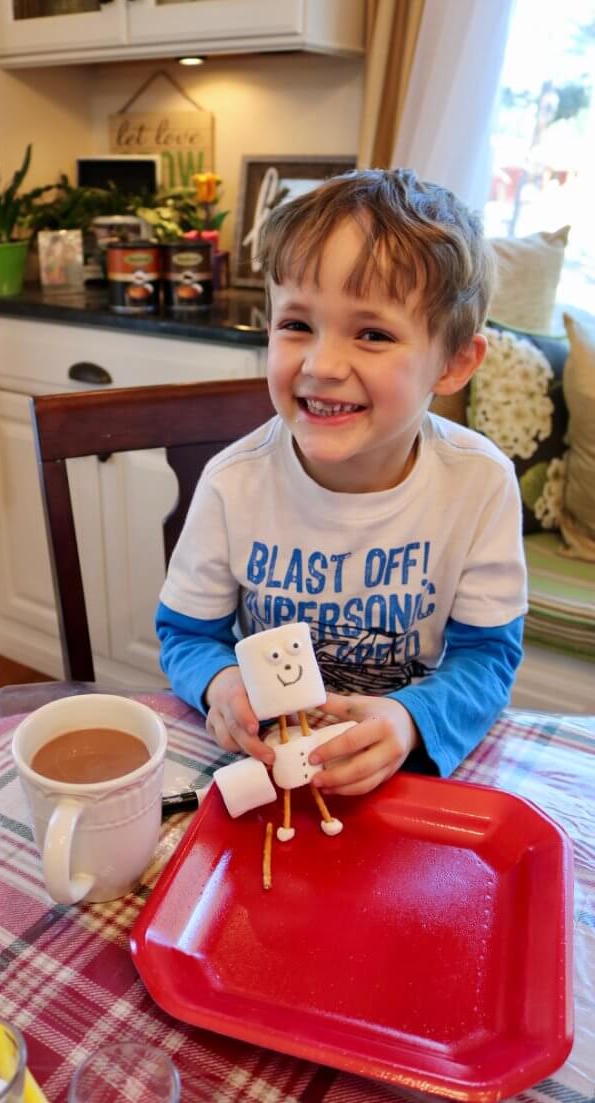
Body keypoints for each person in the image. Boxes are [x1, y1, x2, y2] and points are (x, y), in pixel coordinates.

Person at [155, 168, 527, 796]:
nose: (322, 365)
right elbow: (187, 634)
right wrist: (220, 684)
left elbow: (486, 659)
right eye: (296, 324)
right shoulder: (233, 484)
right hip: (272, 770)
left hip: (401, 771)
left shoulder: (479, 484)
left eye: (373, 334)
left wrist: (410, 720)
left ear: (454, 362)